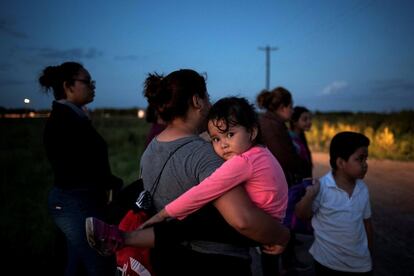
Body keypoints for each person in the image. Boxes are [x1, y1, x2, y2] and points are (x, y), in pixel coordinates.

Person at [86, 69, 290, 276]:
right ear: (197, 101)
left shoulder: (151, 149)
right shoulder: (206, 156)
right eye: (207, 98)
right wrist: (283, 236)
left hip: (166, 259)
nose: (210, 105)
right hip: (216, 263)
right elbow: (243, 220)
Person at [140, 97, 289, 254]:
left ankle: (132, 238)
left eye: (230, 134)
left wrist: (163, 214)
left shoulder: (243, 161)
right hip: (272, 223)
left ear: (252, 132)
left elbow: (204, 190)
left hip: (259, 227)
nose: (223, 144)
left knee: (190, 222)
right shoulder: (260, 152)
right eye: (216, 139)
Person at [39, 61, 122, 276]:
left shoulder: (73, 117)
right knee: (101, 265)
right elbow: (81, 165)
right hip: (75, 202)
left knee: (77, 265)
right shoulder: (64, 121)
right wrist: (111, 182)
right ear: (69, 86)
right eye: (87, 81)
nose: (92, 86)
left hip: (80, 201)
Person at [295, 131, 374, 275]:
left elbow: (366, 222)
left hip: (360, 264)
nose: (365, 165)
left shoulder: (363, 189)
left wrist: (369, 250)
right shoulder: (322, 187)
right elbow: (302, 214)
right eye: (360, 159)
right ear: (341, 163)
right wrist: (309, 196)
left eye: (366, 159)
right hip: (327, 263)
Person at [256, 87, 312, 275]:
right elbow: (285, 157)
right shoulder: (271, 124)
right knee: (274, 233)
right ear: (283, 106)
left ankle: (286, 264)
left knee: (281, 229)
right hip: (274, 186)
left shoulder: (272, 122)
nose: (291, 110)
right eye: (291, 106)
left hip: (276, 184)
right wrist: (304, 168)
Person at [289, 106, 313, 178]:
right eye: (305, 119)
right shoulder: (290, 139)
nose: (309, 122)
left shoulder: (301, 136)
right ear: (294, 122)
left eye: (310, 119)